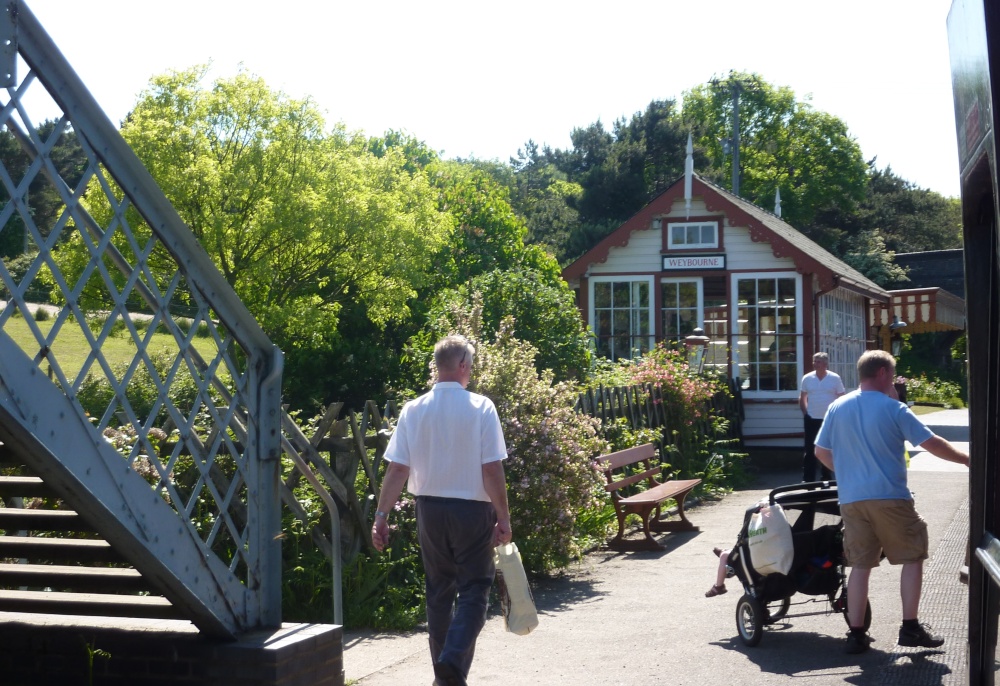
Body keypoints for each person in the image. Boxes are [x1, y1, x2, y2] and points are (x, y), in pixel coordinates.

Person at [371, 335, 512, 686]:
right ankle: (451, 663)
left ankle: (445, 676)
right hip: (472, 513)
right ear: (463, 365)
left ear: (438, 365)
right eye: (471, 365)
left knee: (439, 590)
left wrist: (381, 516)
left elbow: (397, 470)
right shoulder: (481, 407)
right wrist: (504, 518)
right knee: (476, 588)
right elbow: (492, 469)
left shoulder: (413, 409)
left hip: (429, 511)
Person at [814, 350, 969, 654]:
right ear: (883, 373)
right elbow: (931, 443)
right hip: (889, 496)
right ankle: (910, 627)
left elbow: (821, 451)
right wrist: (966, 459)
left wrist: (847, 473)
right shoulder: (894, 409)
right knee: (912, 556)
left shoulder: (837, 406)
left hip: (851, 499)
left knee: (860, 565)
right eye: (893, 374)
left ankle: (856, 634)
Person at [799, 352, 846, 482]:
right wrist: (805, 413)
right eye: (814, 361)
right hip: (812, 418)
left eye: (818, 361)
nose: (815, 364)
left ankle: (827, 477)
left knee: (828, 447)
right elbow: (803, 397)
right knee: (810, 448)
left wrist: (838, 414)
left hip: (829, 419)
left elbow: (841, 397)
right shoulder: (807, 378)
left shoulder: (834, 378)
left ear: (825, 364)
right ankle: (808, 479)